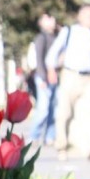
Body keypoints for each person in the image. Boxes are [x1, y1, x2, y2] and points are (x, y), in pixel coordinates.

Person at [46, 4, 90, 161]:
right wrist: (51, 69)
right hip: (69, 75)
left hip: (89, 78)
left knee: (89, 114)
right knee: (64, 113)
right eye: (88, 15)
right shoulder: (69, 32)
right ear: (80, 16)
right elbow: (53, 53)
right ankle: (61, 146)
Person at [29, 14, 58, 145]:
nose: (52, 20)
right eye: (48, 18)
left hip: (55, 78)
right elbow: (39, 59)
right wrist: (43, 78)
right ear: (41, 23)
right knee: (43, 108)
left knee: (53, 108)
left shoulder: (58, 35)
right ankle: (34, 135)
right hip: (44, 78)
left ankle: (50, 136)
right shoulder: (41, 38)